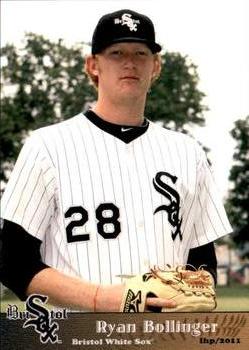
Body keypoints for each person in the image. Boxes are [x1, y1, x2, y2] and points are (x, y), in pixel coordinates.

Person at [0, 9, 232, 312]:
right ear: (93, 65)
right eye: (116, 52)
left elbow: (202, 263)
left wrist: (196, 297)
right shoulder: (46, 147)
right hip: (77, 337)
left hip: (163, 339)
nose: (130, 62)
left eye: (141, 53)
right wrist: (100, 299)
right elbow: (14, 263)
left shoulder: (189, 154)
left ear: (156, 65)